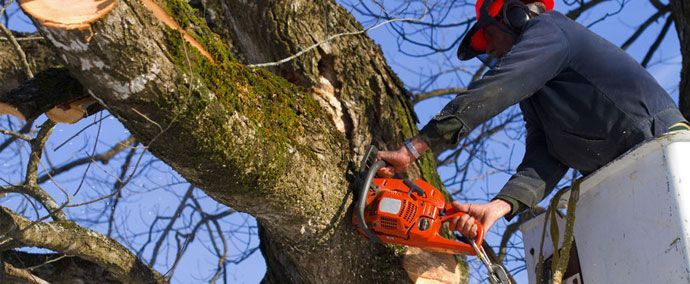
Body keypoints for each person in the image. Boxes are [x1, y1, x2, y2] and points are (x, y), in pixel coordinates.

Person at [376, 0, 689, 239]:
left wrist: (414, 148)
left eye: (490, 36)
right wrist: (499, 206)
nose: (494, 51)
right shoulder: (537, 90)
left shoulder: (551, 30)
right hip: (625, 176)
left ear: (514, 16)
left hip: (661, 147)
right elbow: (547, 154)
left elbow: (498, 87)